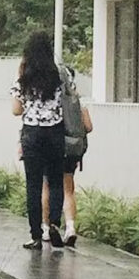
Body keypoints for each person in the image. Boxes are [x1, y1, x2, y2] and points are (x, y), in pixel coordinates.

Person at [11, 31, 68, 250]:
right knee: (55, 181)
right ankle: (53, 223)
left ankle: (35, 235)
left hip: (32, 134)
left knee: (33, 185)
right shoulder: (61, 74)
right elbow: (71, 100)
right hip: (55, 132)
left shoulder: (24, 74)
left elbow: (16, 110)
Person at [40, 64, 92, 247]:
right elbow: (88, 126)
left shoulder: (49, 97)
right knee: (68, 189)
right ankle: (70, 228)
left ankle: (46, 228)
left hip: (52, 146)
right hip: (71, 149)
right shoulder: (76, 99)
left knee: (47, 186)